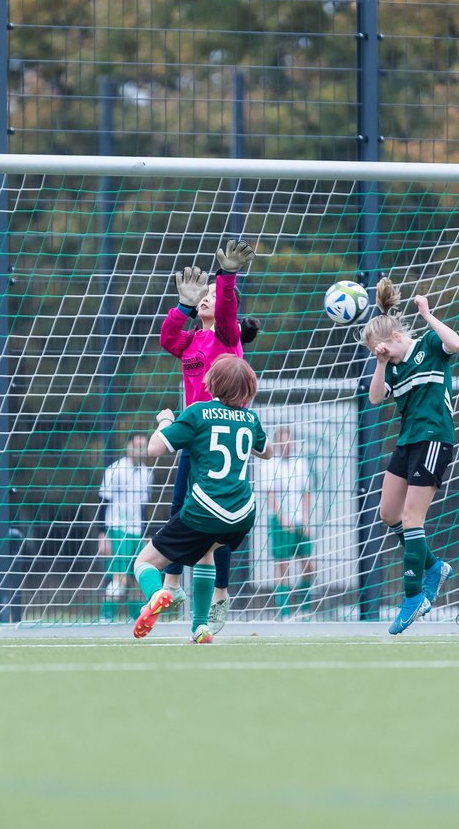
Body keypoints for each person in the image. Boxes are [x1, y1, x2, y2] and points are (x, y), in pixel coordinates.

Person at [131, 355, 271, 643]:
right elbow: (267, 451)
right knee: (207, 551)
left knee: (143, 563)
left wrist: (166, 420)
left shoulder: (198, 413)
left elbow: (154, 448)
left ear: (212, 382)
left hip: (206, 509)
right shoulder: (250, 419)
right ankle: (200, 627)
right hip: (242, 513)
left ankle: (159, 593)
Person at [157, 239, 259, 633]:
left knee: (217, 523)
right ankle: (172, 583)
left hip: (222, 440)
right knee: (180, 509)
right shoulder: (190, 341)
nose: (207, 299)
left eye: (211, 297)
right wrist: (182, 306)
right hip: (194, 438)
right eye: (205, 295)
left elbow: (229, 307)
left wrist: (226, 277)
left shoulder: (227, 339)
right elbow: (168, 338)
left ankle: (220, 594)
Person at [360, 278, 459, 636]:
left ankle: (413, 595)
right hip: (408, 442)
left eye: (379, 347)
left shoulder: (429, 346)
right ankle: (433, 566)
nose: (380, 353)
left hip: (434, 439)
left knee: (411, 516)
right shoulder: (390, 366)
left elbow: (457, 343)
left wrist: (428, 314)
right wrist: (379, 363)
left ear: (393, 338)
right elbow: (375, 398)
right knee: (388, 513)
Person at [96, 434, 154, 622]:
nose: (140, 449)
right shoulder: (115, 469)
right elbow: (103, 502)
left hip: (137, 531)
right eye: (136, 445)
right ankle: (106, 616)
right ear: (128, 446)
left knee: (139, 577)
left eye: (143, 446)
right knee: (119, 578)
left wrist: (145, 535)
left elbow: (143, 508)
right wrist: (102, 534)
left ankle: (136, 618)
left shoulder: (147, 472)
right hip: (118, 528)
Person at [260, 425, 315, 619]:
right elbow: (271, 494)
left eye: (289, 441)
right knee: (283, 566)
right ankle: (283, 611)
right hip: (280, 522)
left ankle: (306, 607)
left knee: (309, 565)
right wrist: (282, 517)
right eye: (282, 441)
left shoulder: (300, 463)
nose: (286, 445)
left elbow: (306, 492)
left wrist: (306, 519)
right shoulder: (269, 464)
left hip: (300, 521)